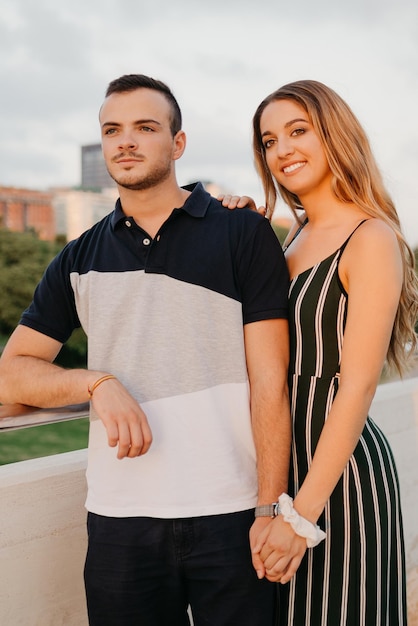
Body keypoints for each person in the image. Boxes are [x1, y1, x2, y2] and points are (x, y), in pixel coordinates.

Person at [0, 74, 292, 625]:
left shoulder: (242, 233)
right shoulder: (76, 257)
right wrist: (95, 383)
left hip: (231, 512)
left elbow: (270, 382)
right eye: (112, 130)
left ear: (177, 144)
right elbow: (11, 373)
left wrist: (270, 507)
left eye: (145, 127)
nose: (125, 141)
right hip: (119, 521)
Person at [222, 79, 417, 625]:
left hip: (337, 482)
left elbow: (356, 386)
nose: (281, 149)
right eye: (268, 140)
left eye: (298, 131)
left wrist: (300, 517)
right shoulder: (289, 236)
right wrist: (233, 225)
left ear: (335, 134)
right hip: (282, 468)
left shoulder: (370, 237)